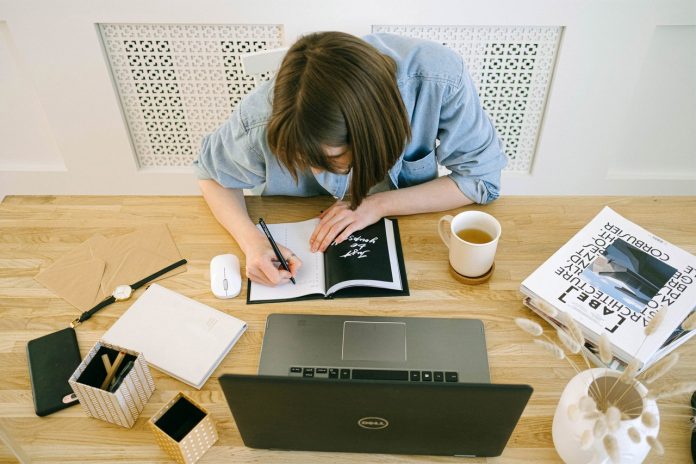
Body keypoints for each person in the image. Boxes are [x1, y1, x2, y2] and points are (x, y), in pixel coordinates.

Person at [194, 31, 507, 287]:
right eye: (303, 158)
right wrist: (252, 242)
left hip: (417, 251)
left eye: (330, 159)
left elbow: (481, 179)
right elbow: (211, 174)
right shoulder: (260, 118)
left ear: (371, 132)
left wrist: (377, 204)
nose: (315, 170)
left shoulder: (439, 78)